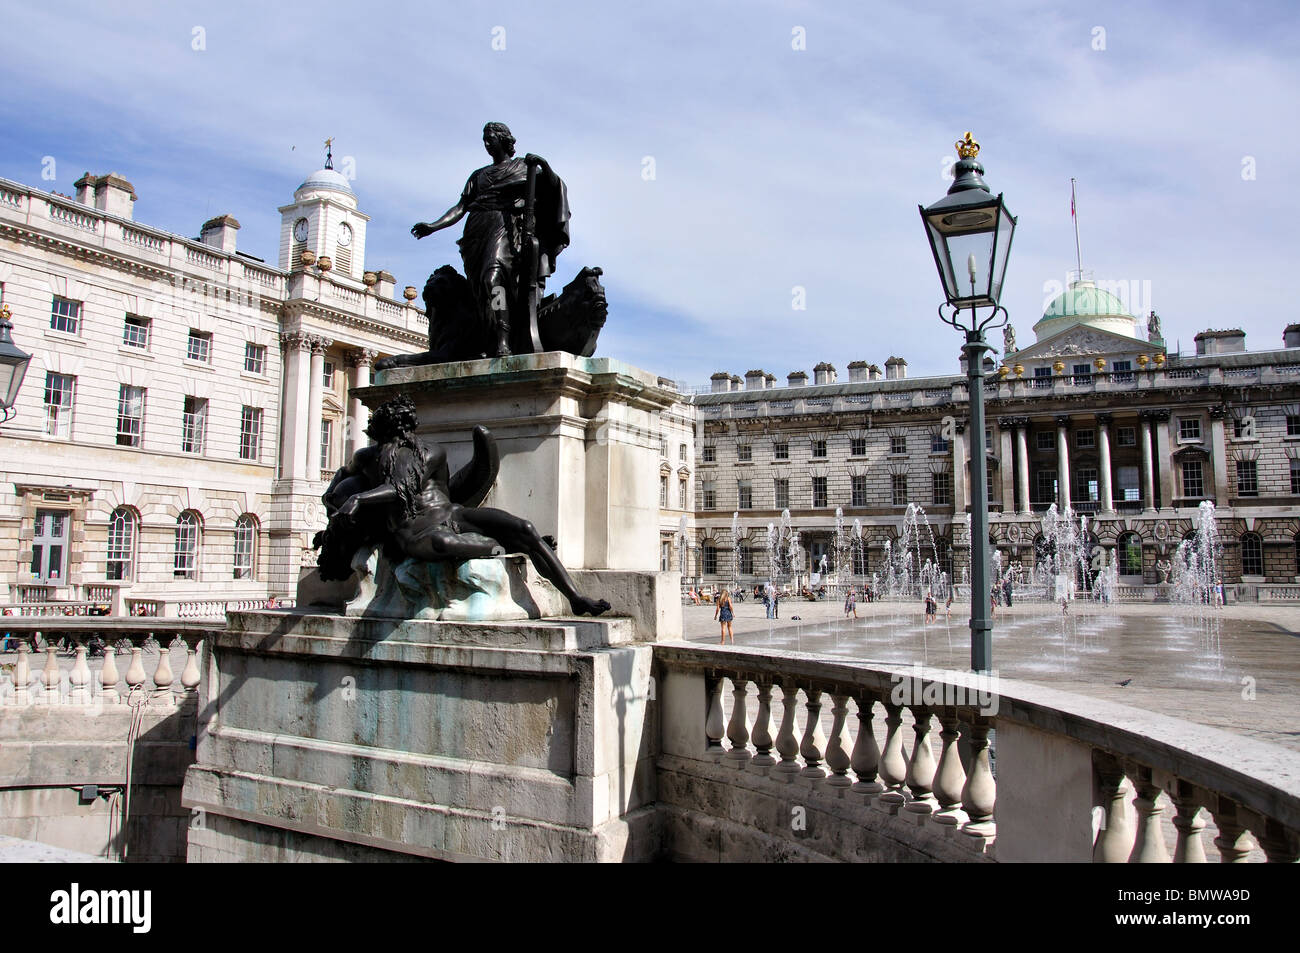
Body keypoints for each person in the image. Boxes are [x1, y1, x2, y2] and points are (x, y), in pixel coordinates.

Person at [318, 396, 609, 616]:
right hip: (414, 531)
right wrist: (332, 498)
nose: (398, 434)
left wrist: (357, 499)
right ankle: (502, 547)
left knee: (524, 527)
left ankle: (575, 598)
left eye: (402, 427)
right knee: (445, 542)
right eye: (393, 429)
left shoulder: (430, 451)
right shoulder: (368, 458)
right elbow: (345, 477)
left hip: (451, 514)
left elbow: (402, 488)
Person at [411, 122, 570, 357]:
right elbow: (461, 207)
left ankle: (502, 339)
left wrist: (544, 165)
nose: (486, 144)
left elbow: (553, 186)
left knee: (491, 279)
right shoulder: (478, 176)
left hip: (505, 228)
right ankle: (491, 335)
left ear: (504, 140)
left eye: (490, 138)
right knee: (482, 290)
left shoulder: (523, 168)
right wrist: (433, 226)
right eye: (484, 139)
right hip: (476, 232)